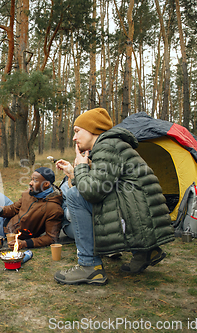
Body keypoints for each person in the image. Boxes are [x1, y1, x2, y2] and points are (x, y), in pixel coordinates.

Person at [53, 108, 174, 285]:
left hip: (136, 213)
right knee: (78, 193)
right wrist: (74, 172)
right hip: (139, 211)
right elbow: (103, 182)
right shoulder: (112, 145)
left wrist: (81, 167)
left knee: (73, 196)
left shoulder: (106, 146)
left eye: (77, 131)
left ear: (92, 130)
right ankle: (145, 252)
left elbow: (93, 192)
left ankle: (89, 266)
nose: (74, 138)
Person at [0, 167, 64, 249]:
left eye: (35, 180)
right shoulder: (30, 192)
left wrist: (25, 243)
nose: (30, 183)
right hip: (11, 218)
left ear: (46, 184)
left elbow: (51, 238)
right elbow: (14, 209)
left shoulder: (54, 209)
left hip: (7, 230)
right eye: (31, 179)